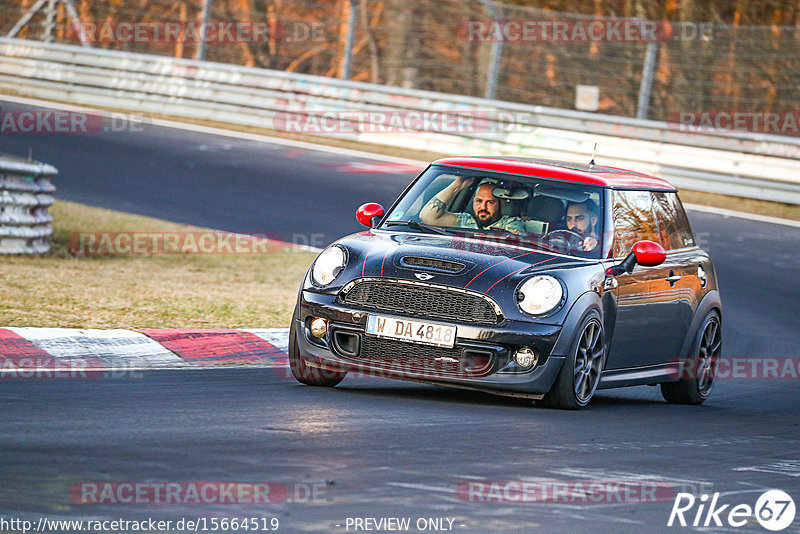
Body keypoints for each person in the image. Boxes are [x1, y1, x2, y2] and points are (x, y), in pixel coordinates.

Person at [419, 177, 525, 234]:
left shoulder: (510, 224)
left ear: (501, 203)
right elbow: (427, 217)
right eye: (479, 201)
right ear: (473, 201)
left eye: (490, 202)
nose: (483, 207)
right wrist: (457, 185)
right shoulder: (464, 220)